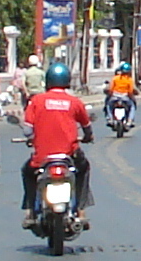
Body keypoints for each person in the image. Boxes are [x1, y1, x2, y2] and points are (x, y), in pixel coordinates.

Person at [23, 59, 93, 226]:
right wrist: (88, 136)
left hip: (43, 158)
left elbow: (27, 130)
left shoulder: (37, 101)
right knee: (83, 169)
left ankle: (31, 211)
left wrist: (31, 137)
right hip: (69, 155)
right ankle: (81, 210)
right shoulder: (74, 102)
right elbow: (87, 126)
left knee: (27, 172)